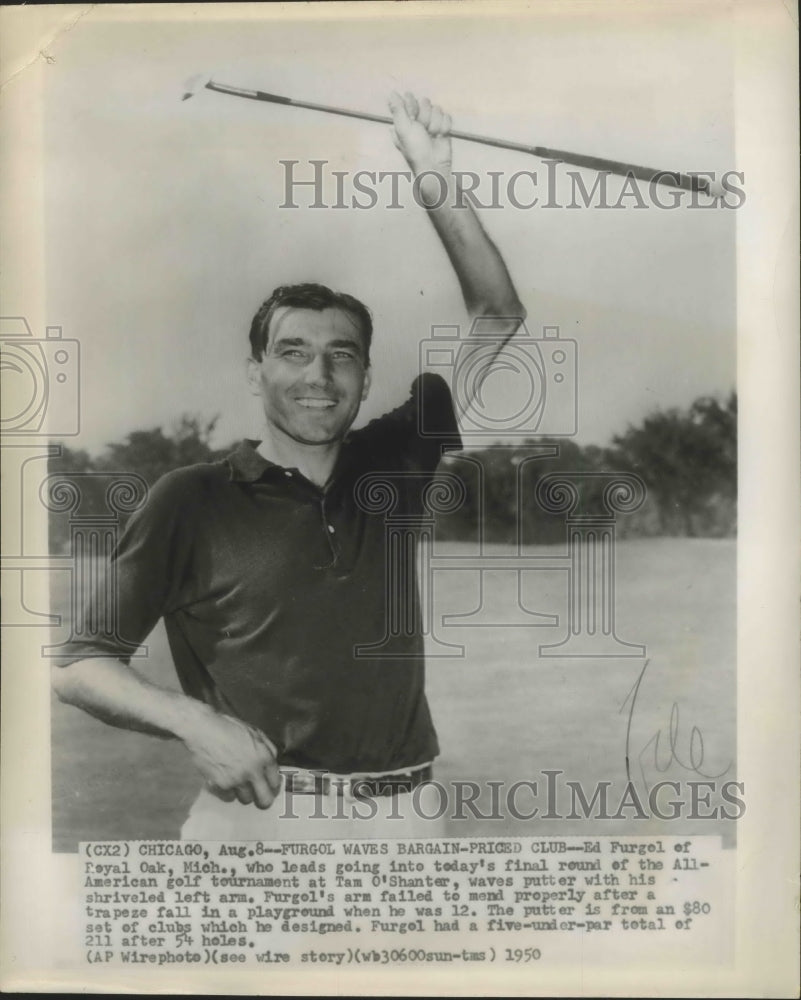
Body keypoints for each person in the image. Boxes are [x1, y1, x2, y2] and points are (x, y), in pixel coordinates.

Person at [51, 92, 526, 839]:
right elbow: (80, 663)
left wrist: (430, 168)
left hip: (406, 818)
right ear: (255, 372)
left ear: (365, 378)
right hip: (259, 819)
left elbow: (497, 313)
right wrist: (190, 720)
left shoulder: (397, 458)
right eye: (293, 352)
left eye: (342, 355)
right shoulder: (191, 498)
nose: (319, 374)